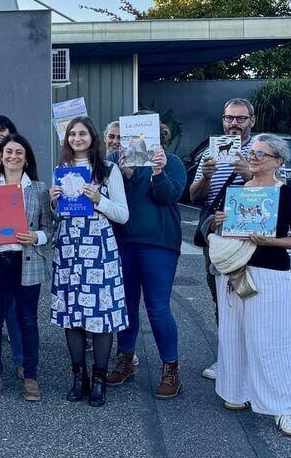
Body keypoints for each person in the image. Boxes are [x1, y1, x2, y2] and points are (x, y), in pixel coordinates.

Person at [208, 133, 291, 438]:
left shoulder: (287, 194)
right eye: (252, 152)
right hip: (235, 269)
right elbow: (214, 225)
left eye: (261, 154)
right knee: (234, 333)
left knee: (271, 340)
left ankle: (282, 407)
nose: (253, 157)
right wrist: (218, 221)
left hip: (270, 272)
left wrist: (271, 241)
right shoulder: (237, 190)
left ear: (277, 161)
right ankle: (236, 390)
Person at [49, 116, 129, 407]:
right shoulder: (63, 170)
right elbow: (60, 216)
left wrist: (99, 199)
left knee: (101, 313)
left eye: (82, 133)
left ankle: (99, 378)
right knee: (72, 313)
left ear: (93, 137)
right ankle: (78, 376)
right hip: (69, 248)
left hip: (99, 249)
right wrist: (54, 202)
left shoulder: (108, 170)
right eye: (72, 134)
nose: (77, 138)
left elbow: (123, 214)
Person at [106, 113, 187, 398]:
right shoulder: (117, 163)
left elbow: (169, 196)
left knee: (157, 307)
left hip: (159, 244)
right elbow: (112, 203)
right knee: (126, 306)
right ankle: (125, 359)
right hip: (124, 241)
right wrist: (125, 177)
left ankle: (171, 368)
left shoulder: (172, 162)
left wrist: (157, 172)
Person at [0, 134, 54, 401]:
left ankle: (30, 375)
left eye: (19, 152)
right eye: (8, 152)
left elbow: (48, 229)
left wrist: (35, 237)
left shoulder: (39, 189)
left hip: (26, 262)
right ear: (1, 156)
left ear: (26, 158)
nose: (13, 157)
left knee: (27, 320)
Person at [190, 98, 256, 381]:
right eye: (230, 118)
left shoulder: (260, 150)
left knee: (253, 296)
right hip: (217, 236)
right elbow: (194, 196)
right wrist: (205, 177)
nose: (234, 125)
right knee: (221, 297)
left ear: (252, 121)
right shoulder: (210, 151)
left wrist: (250, 174)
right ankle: (227, 357)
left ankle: (254, 358)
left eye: (241, 119)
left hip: (253, 237)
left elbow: (279, 191)